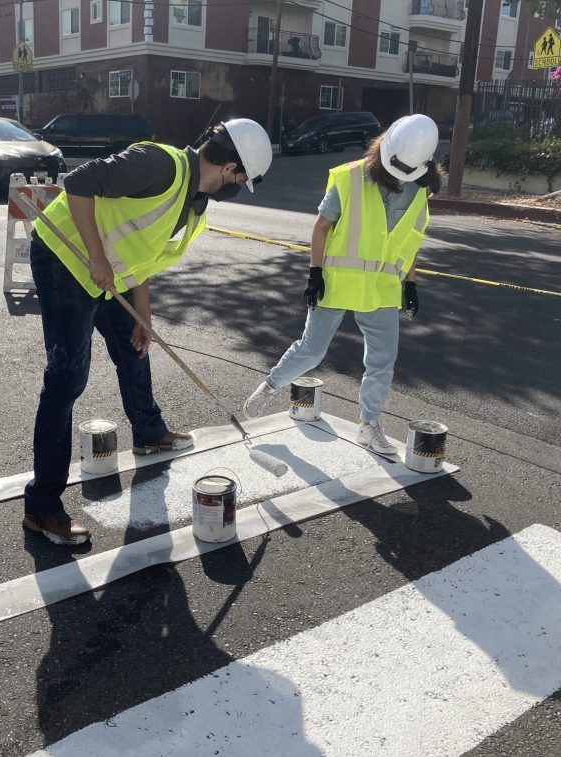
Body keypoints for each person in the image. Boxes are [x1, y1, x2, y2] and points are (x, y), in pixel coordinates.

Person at [24, 118, 273, 546]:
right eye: (241, 179)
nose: (236, 186)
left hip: (110, 274)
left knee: (134, 346)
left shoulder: (195, 202)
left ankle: (149, 433)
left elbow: (143, 252)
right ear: (231, 168)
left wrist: (144, 316)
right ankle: (42, 507)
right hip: (65, 261)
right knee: (66, 382)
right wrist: (97, 258)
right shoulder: (160, 165)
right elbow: (80, 182)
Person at [243, 113, 442, 454]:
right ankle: (270, 386)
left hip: (381, 289)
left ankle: (369, 425)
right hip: (336, 281)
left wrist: (410, 283)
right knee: (312, 348)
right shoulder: (350, 177)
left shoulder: (421, 189)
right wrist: (314, 272)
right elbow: (321, 227)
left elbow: (410, 242)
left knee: (382, 359)